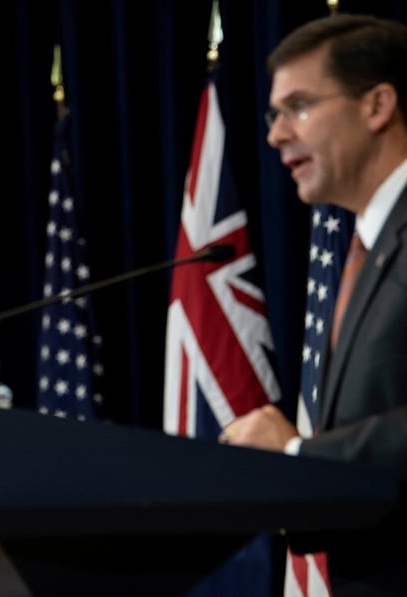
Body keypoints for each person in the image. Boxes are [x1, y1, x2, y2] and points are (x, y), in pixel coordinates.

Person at [221, 14, 406, 595]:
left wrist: (299, 453)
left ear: (377, 106)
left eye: (298, 107)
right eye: (274, 114)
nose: (275, 135)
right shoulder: (368, 250)